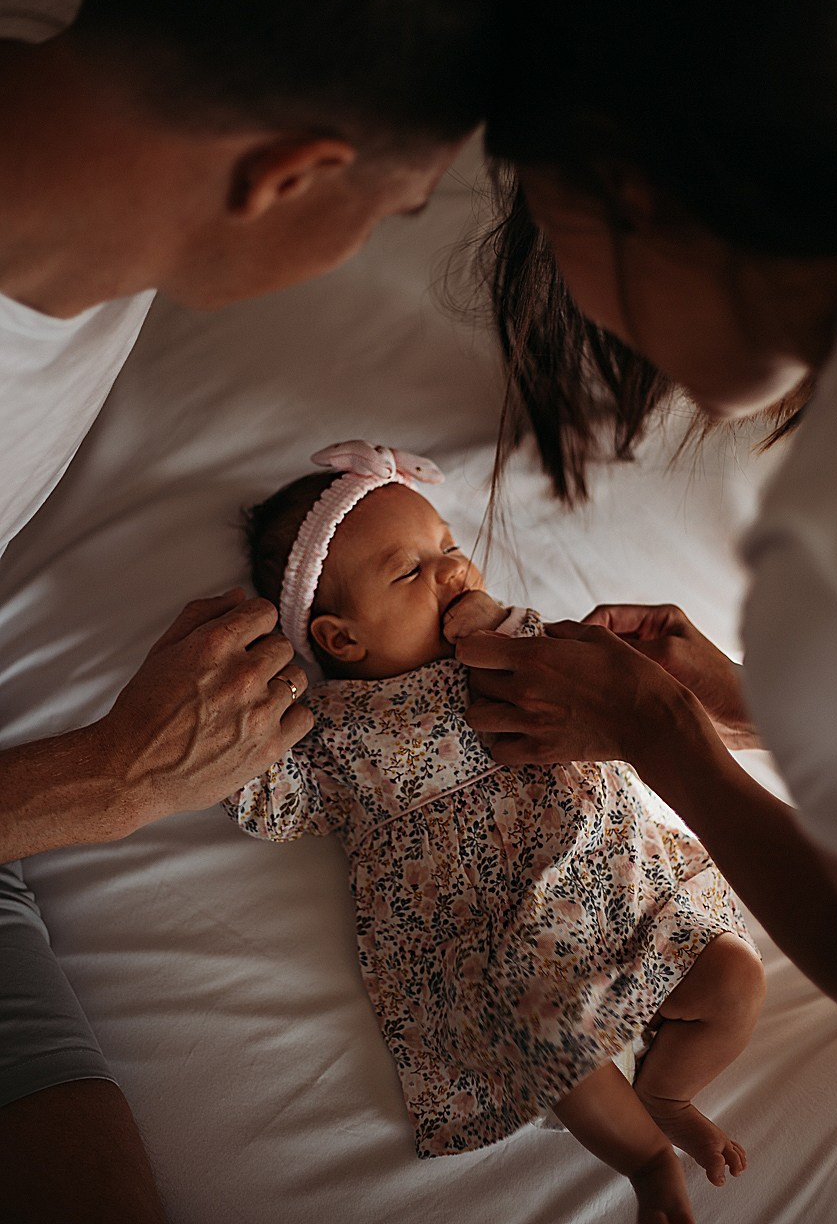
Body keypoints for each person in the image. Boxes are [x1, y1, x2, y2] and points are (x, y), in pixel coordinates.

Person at [0, 0, 489, 1217]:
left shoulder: (70, 135)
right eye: (387, 213)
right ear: (290, 177)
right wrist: (108, 778)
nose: (367, 246)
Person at [226, 439, 765, 1224]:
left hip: (627, 892)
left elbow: (597, 670)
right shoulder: (334, 732)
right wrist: (245, 713)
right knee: (547, 1039)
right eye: (409, 572)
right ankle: (647, 1164)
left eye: (447, 548)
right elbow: (271, 803)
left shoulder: (516, 653)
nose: (450, 570)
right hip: (510, 952)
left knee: (735, 978)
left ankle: (667, 1091)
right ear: (342, 640)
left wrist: (510, 629)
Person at [461, 0, 837, 1014]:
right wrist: (767, 710)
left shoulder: (821, 552)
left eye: (549, 227)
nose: (580, 304)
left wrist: (661, 733)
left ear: (627, 193)